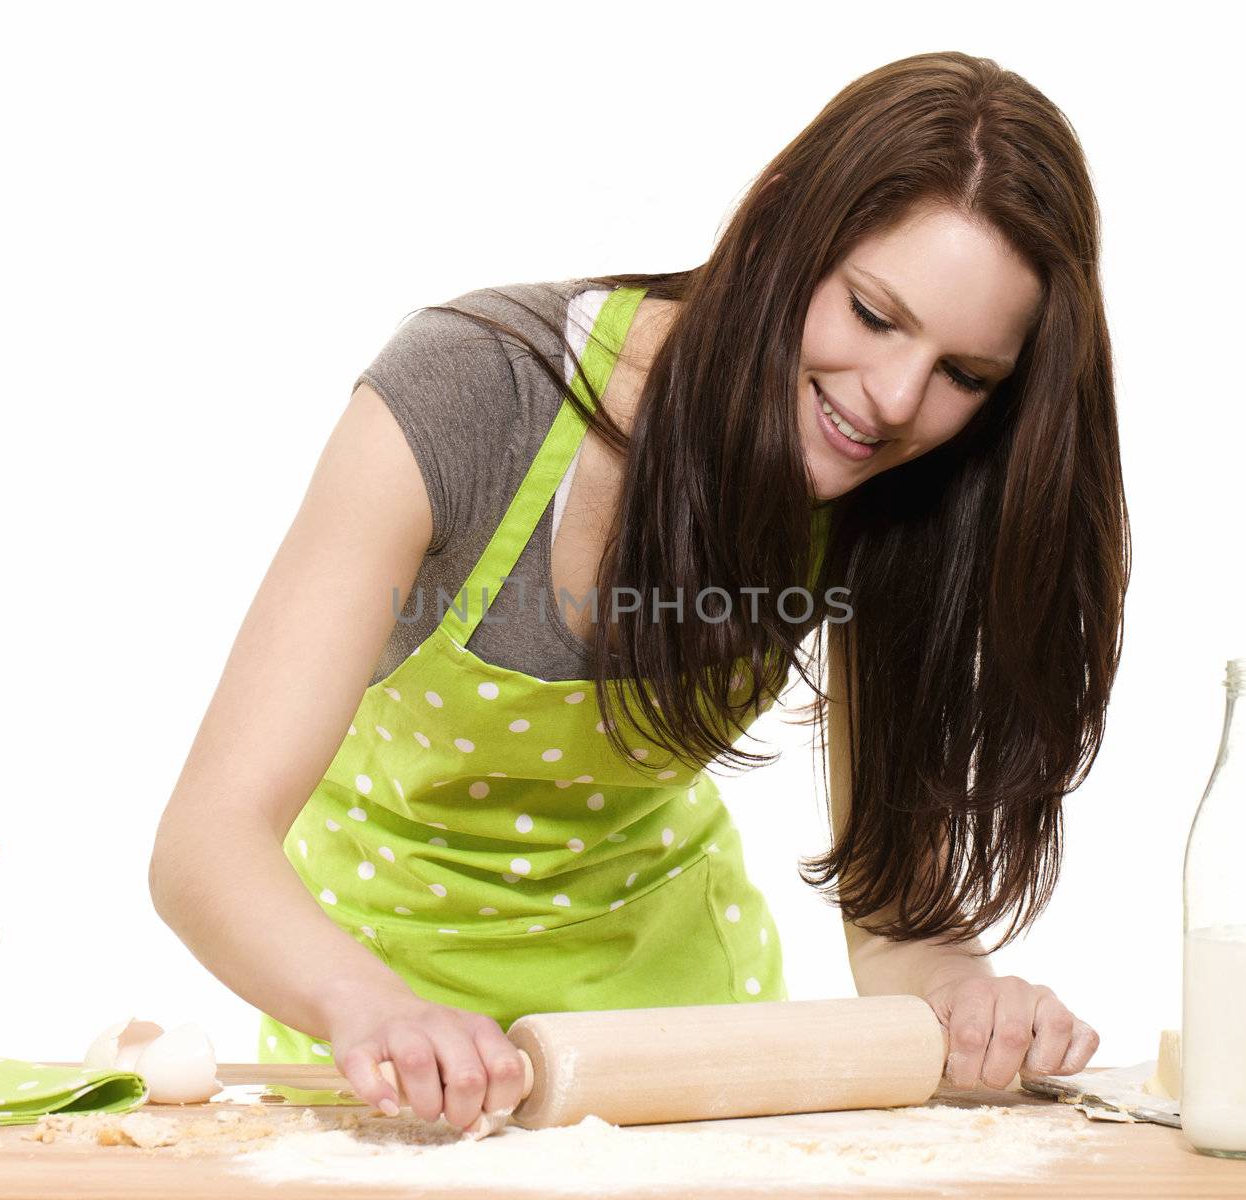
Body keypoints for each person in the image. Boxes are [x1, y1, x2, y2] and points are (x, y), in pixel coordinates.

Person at [148, 49, 1130, 1133]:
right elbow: (209, 842)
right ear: (777, 241)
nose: (895, 400)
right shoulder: (474, 397)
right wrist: (372, 1011)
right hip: (383, 1030)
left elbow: (898, 920)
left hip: (677, 1063)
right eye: (872, 313)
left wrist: (963, 997)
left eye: (964, 375)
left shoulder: (896, 499)